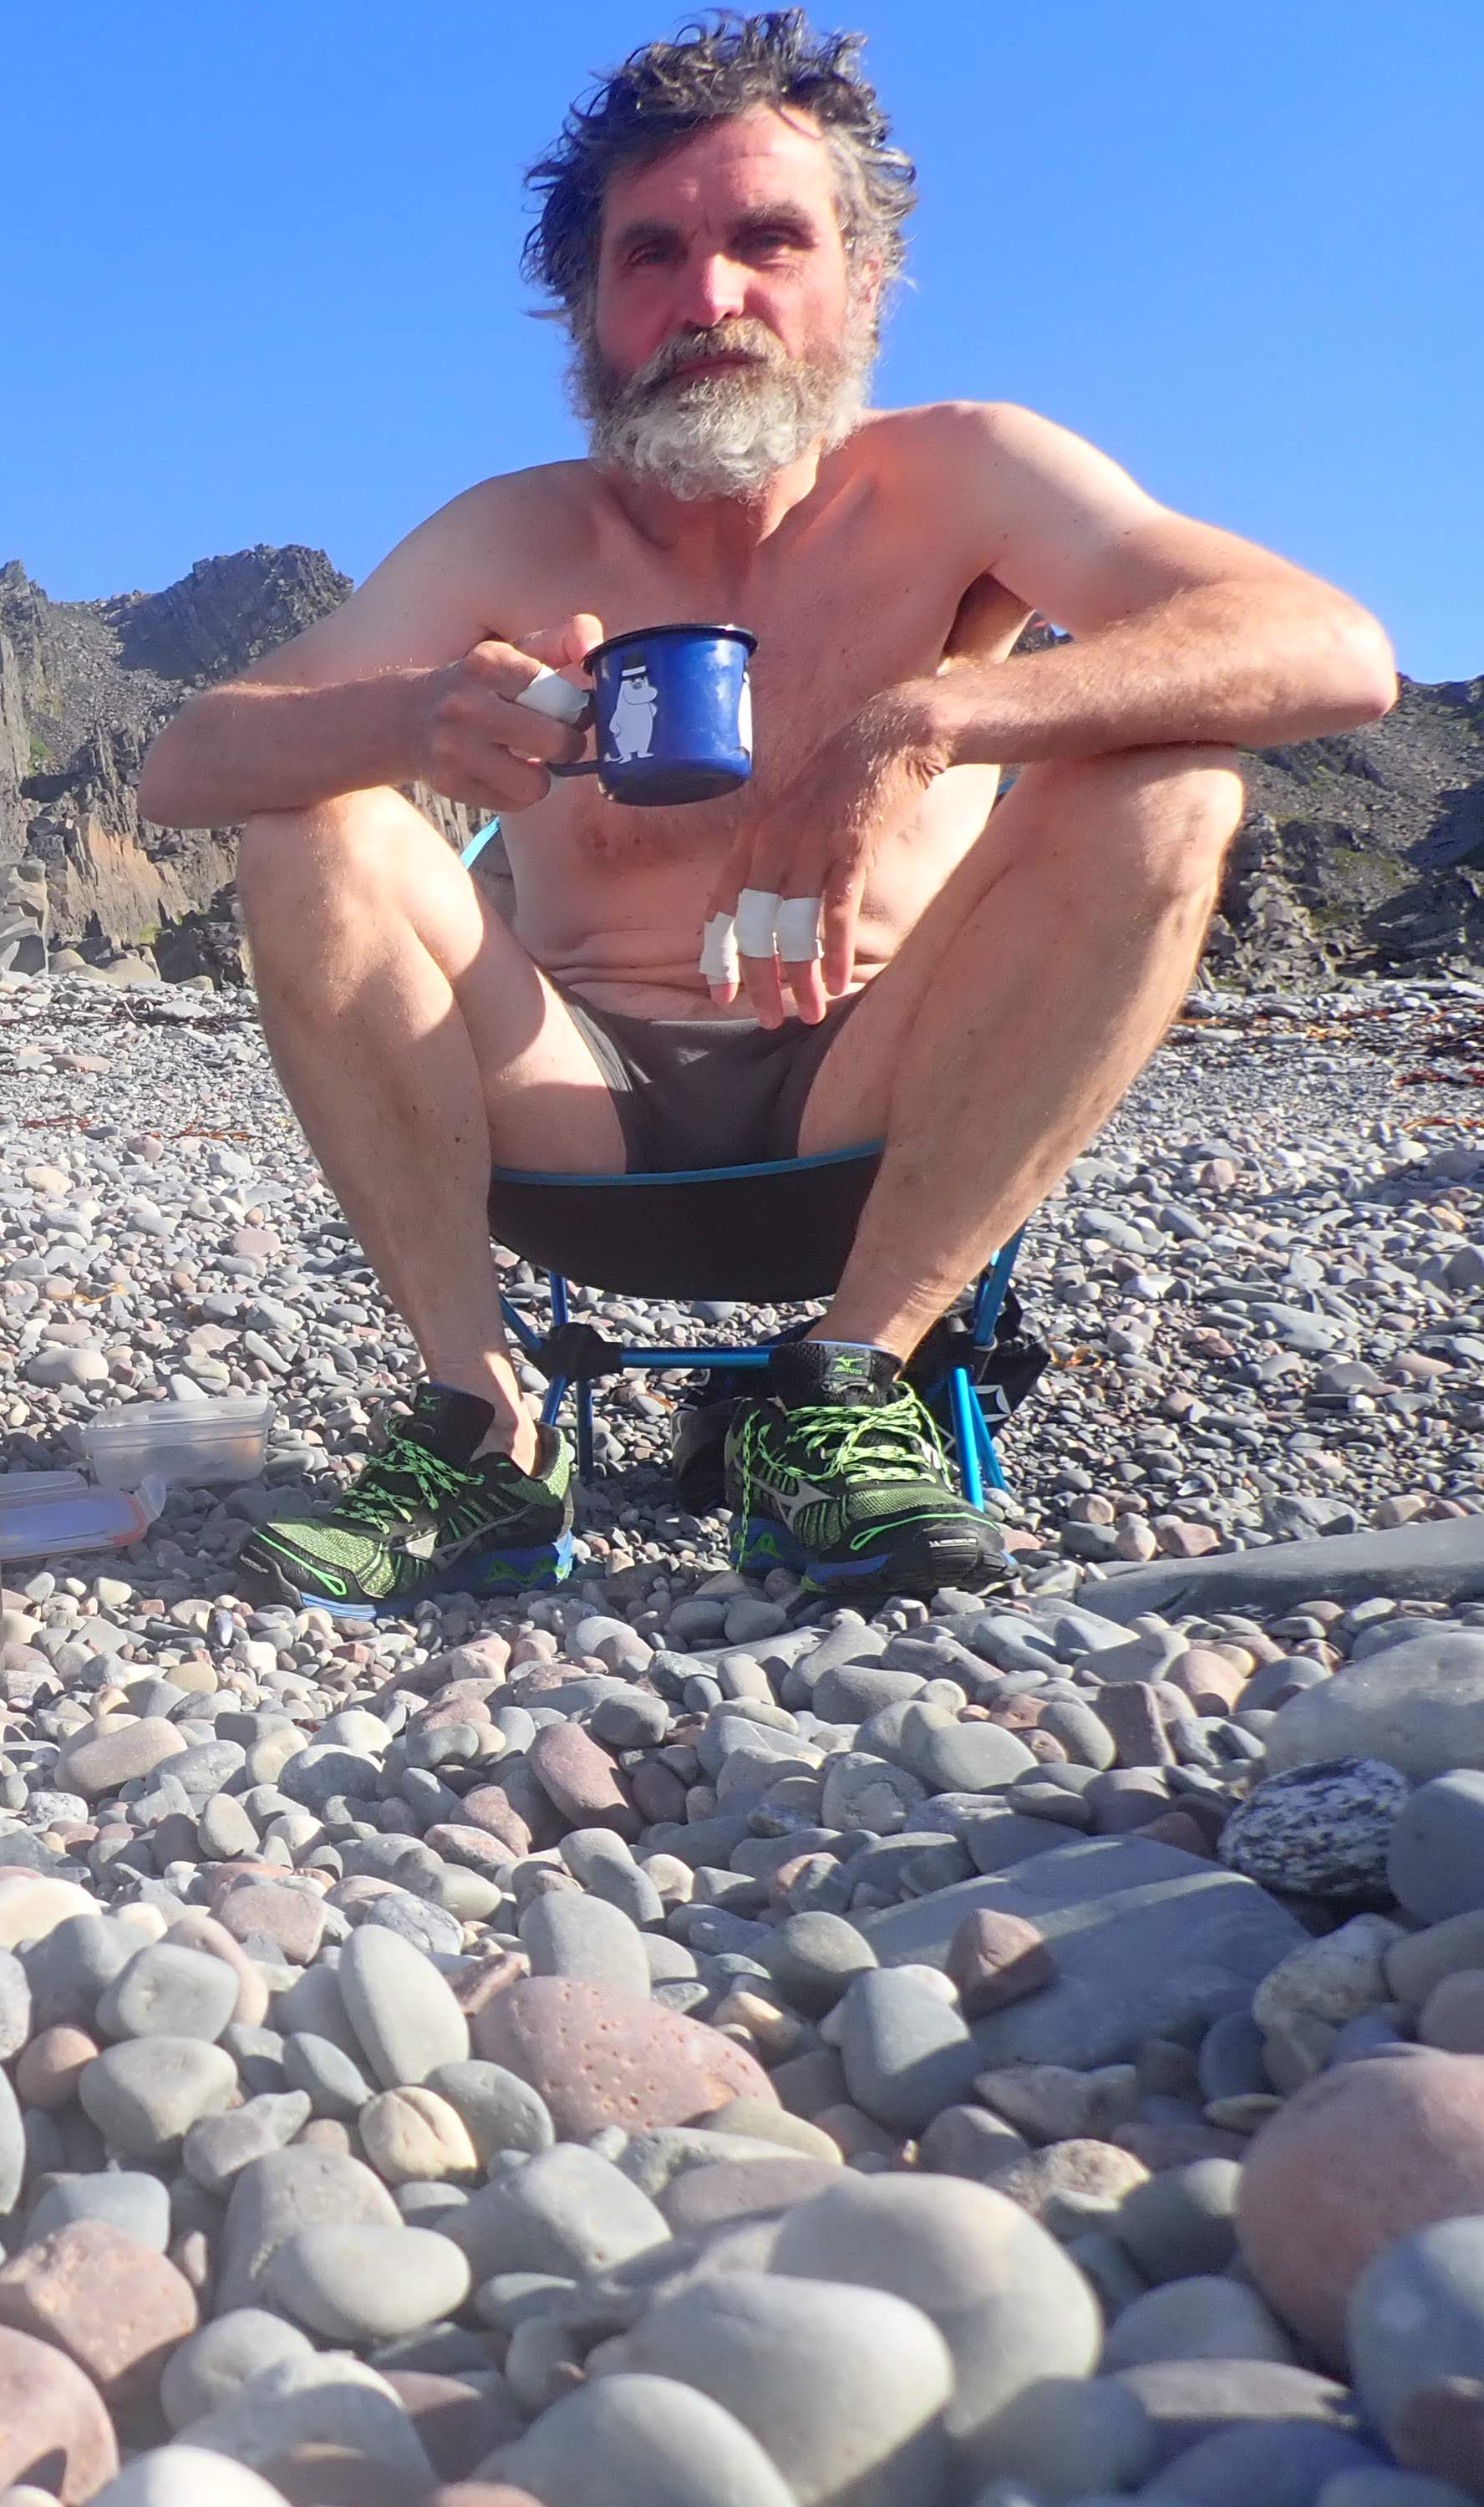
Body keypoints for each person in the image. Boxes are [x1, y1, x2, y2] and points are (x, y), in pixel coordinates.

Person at [135, 13, 1395, 1612]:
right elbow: (185, 766)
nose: (710, 295)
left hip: (880, 1104)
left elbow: (1331, 650)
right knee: (314, 816)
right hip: (576, 1110)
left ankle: (845, 1382)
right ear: (587, 308)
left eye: (769, 241)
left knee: (1169, 781)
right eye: (651, 254)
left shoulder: (966, 479)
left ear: (863, 281)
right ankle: (483, 1424)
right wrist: (413, 718)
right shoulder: (512, 536)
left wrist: (924, 721)